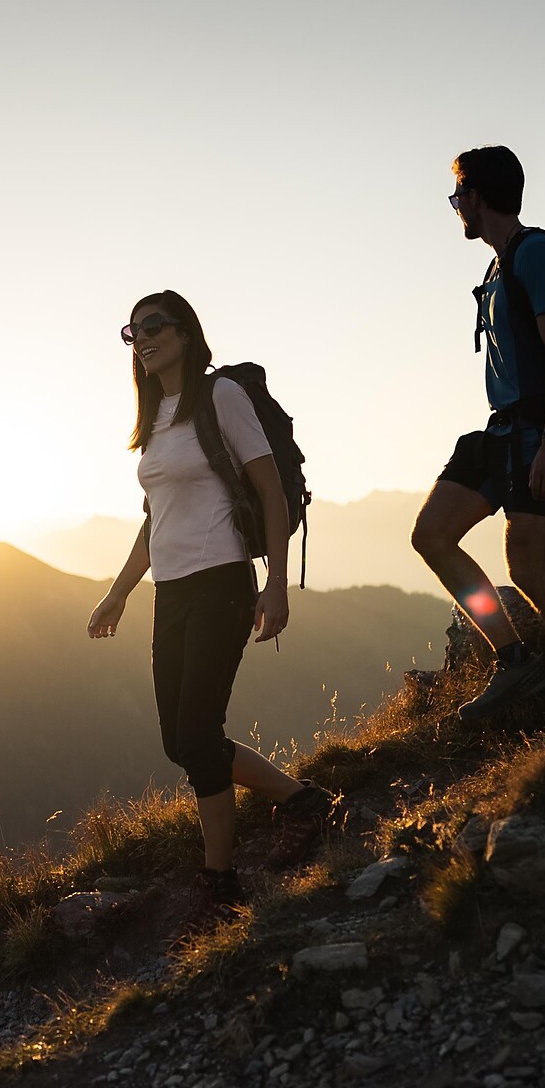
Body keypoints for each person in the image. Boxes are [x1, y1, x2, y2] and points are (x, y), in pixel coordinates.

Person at [87, 291, 332, 909]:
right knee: (180, 740)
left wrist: (276, 582)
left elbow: (270, 493)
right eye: (131, 331)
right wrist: (117, 594)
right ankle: (301, 800)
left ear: (186, 331)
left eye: (154, 325)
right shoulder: (156, 420)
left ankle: (219, 882)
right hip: (169, 592)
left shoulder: (221, 397)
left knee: (198, 730)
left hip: (223, 581)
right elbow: (153, 522)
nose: (142, 338)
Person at [411, 146, 545, 723]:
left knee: (528, 568)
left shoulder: (537, 255)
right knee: (431, 535)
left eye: (458, 197)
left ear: (477, 198)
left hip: (539, 432)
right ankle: (513, 660)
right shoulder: (500, 262)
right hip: (501, 431)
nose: (456, 208)